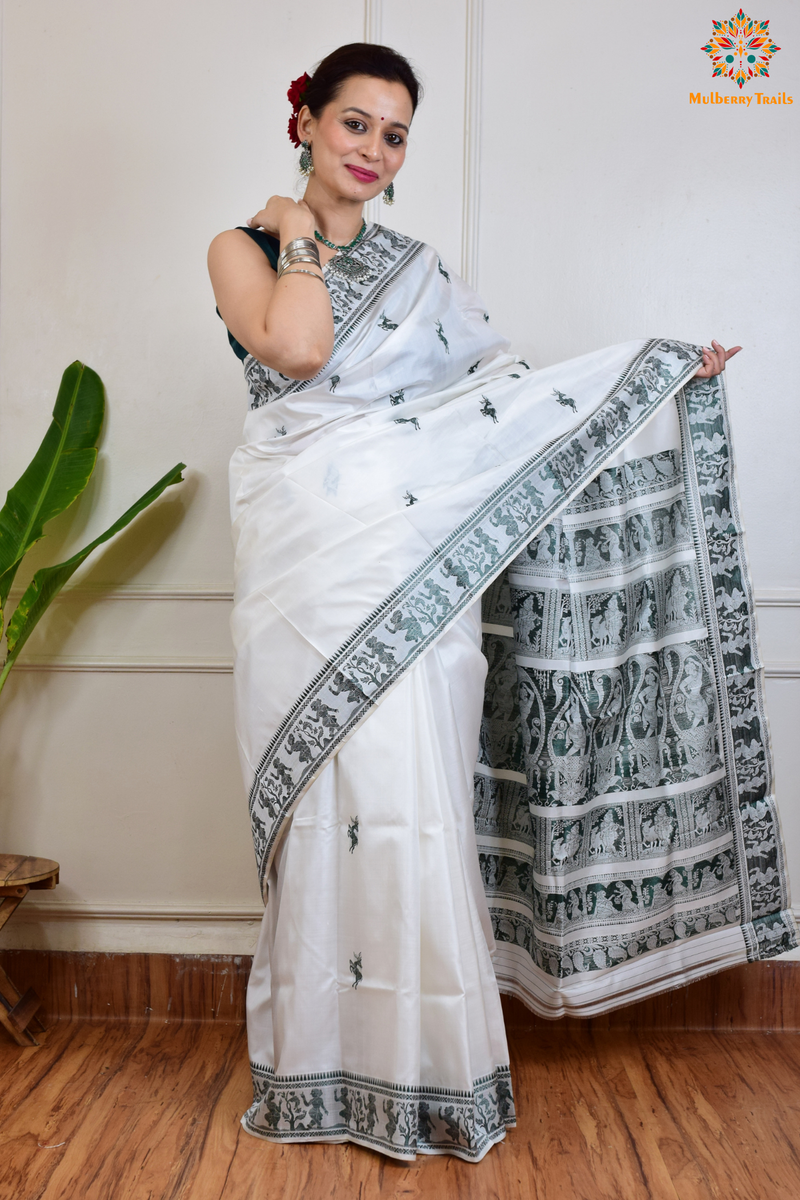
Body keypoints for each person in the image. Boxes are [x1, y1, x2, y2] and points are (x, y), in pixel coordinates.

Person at [208, 43, 792, 1163]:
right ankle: (325, 1069)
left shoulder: (419, 274)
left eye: (394, 135)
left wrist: (654, 378)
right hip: (303, 567)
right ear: (307, 121)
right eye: (354, 125)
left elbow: (501, 407)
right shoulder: (240, 247)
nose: (374, 151)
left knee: (412, 793)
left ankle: (426, 1077)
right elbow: (295, 344)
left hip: (413, 567)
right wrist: (293, 235)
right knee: (328, 806)